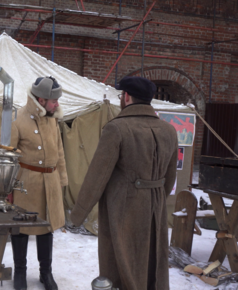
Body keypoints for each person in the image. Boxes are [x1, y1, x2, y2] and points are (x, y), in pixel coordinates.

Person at [70, 76, 178, 290]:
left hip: (124, 209)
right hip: (156, 206)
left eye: (121, 95)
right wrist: (155, 197)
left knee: (123, 265)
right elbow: (170, 176)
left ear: (127, 97)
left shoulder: (117, 128)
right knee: (152, 262)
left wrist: (78, 214)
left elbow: (97, 176)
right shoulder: (169, 130)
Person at [5, 76, 68, 290]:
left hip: (50, 183)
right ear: (41, 100)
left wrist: (61, 181)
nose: (57, 104)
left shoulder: (53, 119)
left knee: (46, 228)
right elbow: (6, 157)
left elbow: (59, 152)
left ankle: (45, 273)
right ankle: (20, 272)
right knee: (21, 229)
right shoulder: (18, 119)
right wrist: (7, 189)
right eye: (53, 101)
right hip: (26, 184)